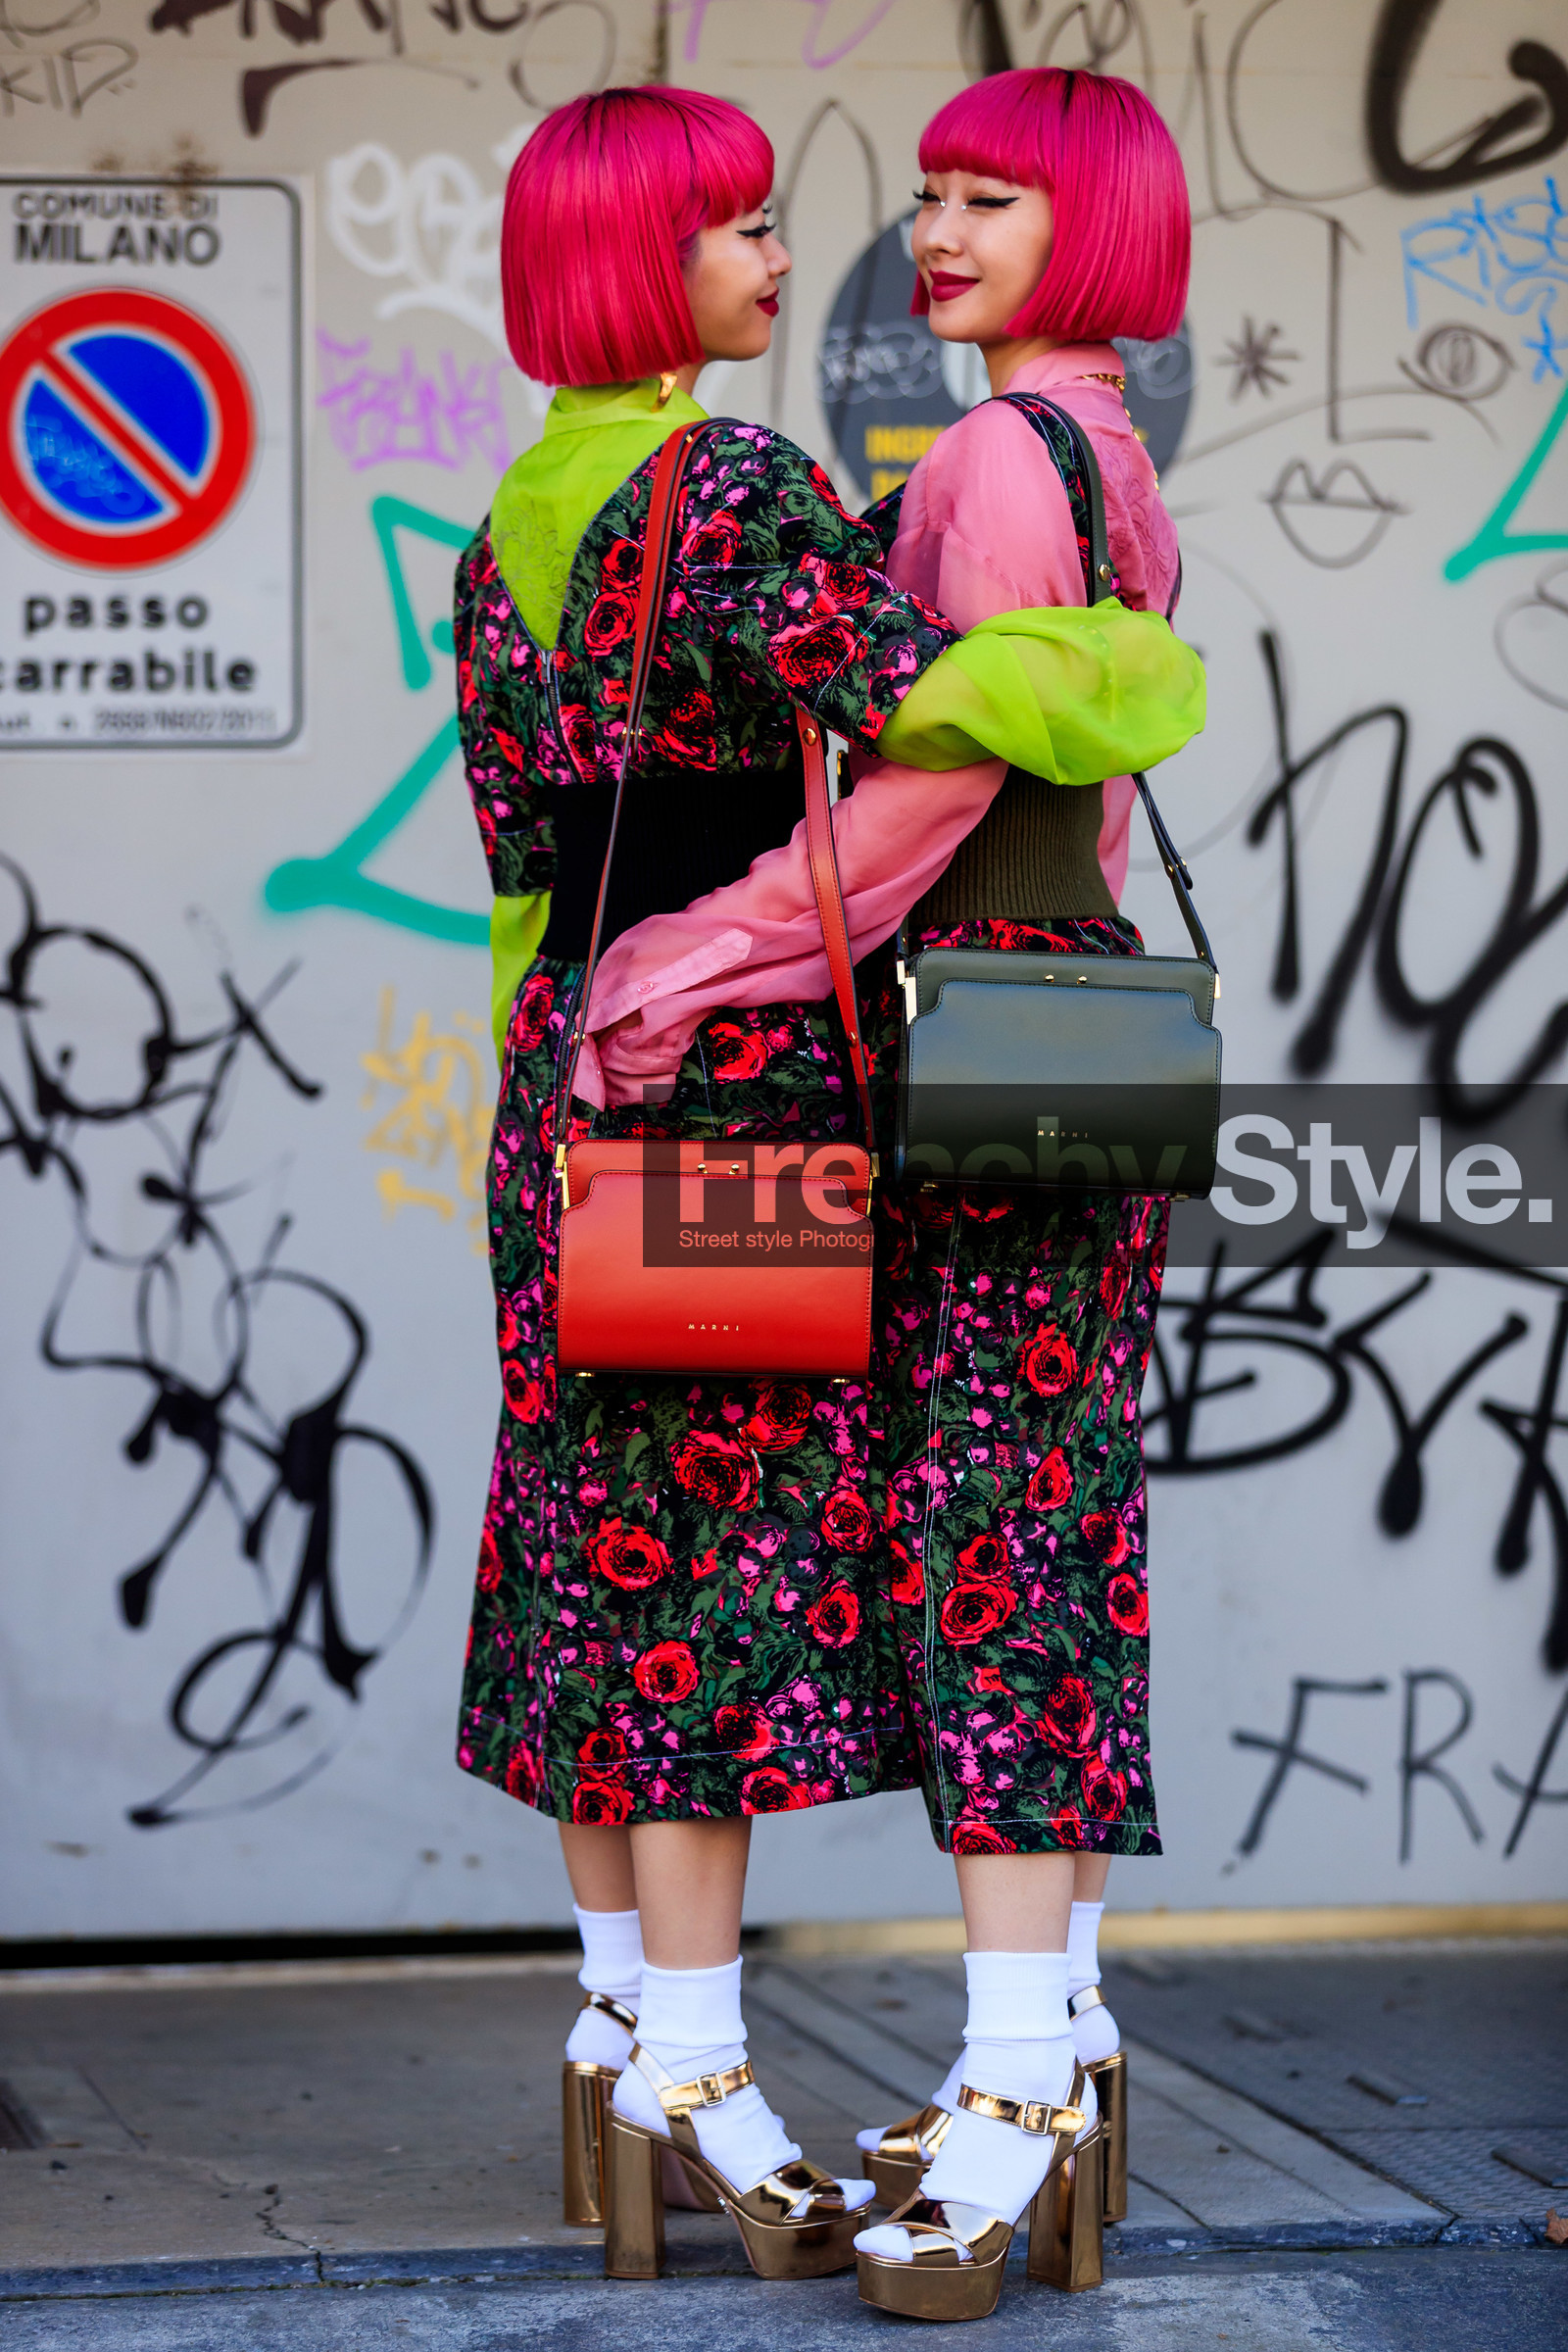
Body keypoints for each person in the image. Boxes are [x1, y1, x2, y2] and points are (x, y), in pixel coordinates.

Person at [452, 83, 1204, 2283]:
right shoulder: (765, 481)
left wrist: (623, 968)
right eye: (744, 227)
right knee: (817, 1544)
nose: (829, 249)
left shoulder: (520, 496)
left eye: (977, 198)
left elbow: (544, 825)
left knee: (602, 1542)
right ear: (644, 257)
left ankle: (646, 2040)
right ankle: (993, 2048)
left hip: (572, 1048)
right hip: (739, 1078)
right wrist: (1136, 673)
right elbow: (932, 732)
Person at [839, 68, 1192, 2321]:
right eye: (934, 192)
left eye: (994, 197)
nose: (938, 226)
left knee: (985, 1542)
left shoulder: (981, 458)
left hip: (972, 1022)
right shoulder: (1105, 448)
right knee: (1046, 1521)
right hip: (1079, 1026)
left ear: (1091, 227)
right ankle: (1056, 2033)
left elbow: (931, 798)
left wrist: (690, 958)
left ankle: (1003, 2094)